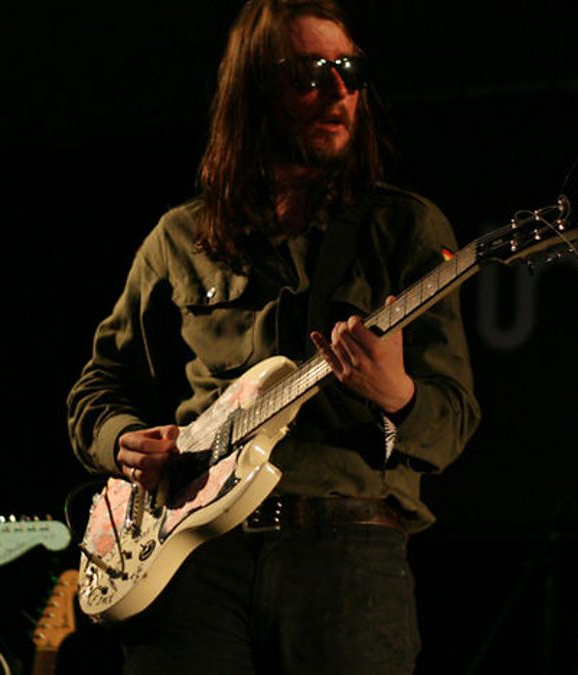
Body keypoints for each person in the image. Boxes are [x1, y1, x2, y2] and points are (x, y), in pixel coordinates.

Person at [67, 0, 481, 672]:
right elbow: (100, 384)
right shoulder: (180, 236)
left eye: (349, 71)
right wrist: (122, 440)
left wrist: (395, 394)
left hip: (345, 557)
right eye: (310, 73)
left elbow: (454, 418)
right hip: (191, 563)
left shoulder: (403, 227)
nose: (339, 92)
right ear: (253, 89)